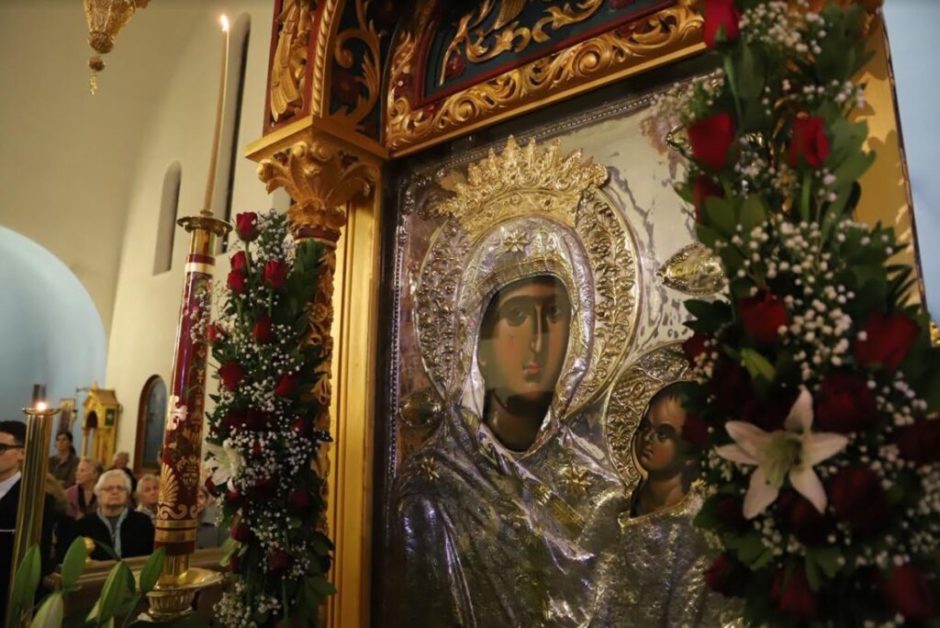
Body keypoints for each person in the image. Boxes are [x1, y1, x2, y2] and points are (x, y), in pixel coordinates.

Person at [392, 218, 627, 627]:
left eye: (553, 314)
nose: (538, 339)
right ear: (477, 345)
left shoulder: (602, 492)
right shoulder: (435, 488)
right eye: (516, 315)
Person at [0, 421, 55, 622]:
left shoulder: (34, 499)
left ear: (22, 454)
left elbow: (37, 559)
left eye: (1, 448)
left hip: (8, 598)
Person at [629, 383, 697, 517]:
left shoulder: (690, 511)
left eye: (662, 434)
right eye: (646, 427)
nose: (647, 438)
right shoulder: (632, 498)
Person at [74, 469, 154, 560]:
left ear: (127, 494)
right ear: (98, 494)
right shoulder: (83, 526)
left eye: (120, 488)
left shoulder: (143, 522)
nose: (115, 492)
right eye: (109, 489)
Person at [195, 484, 228, 549]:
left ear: (206, 500)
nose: (197, 501)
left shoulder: (215, 526)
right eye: (193, 497)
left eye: (201, 497)